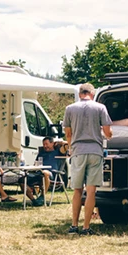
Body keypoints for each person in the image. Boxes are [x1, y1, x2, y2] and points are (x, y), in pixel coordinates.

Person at [63, 83, 112, 235]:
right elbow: (107, 131)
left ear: (80, 94)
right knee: (91, 191)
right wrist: (109, 136)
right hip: (95, 151)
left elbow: (68, 133)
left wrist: (71, 149)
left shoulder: (70, 109)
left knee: (77, 190)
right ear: (92, 93)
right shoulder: (100, 108)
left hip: (78, 151)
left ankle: (73, 225)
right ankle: (86, 227)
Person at [25, 136, 68, 206]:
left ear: (52, 144)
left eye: (46, 144)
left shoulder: (58, 152)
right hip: (39, 173)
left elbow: (69, 144)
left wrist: (60, 142)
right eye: (43, 144)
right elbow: (36, 164)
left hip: (52, 174)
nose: (45, 146)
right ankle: (34, 200)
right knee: (22, 179)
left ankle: (42, 196)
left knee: (45, 172)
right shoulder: (41, 153)